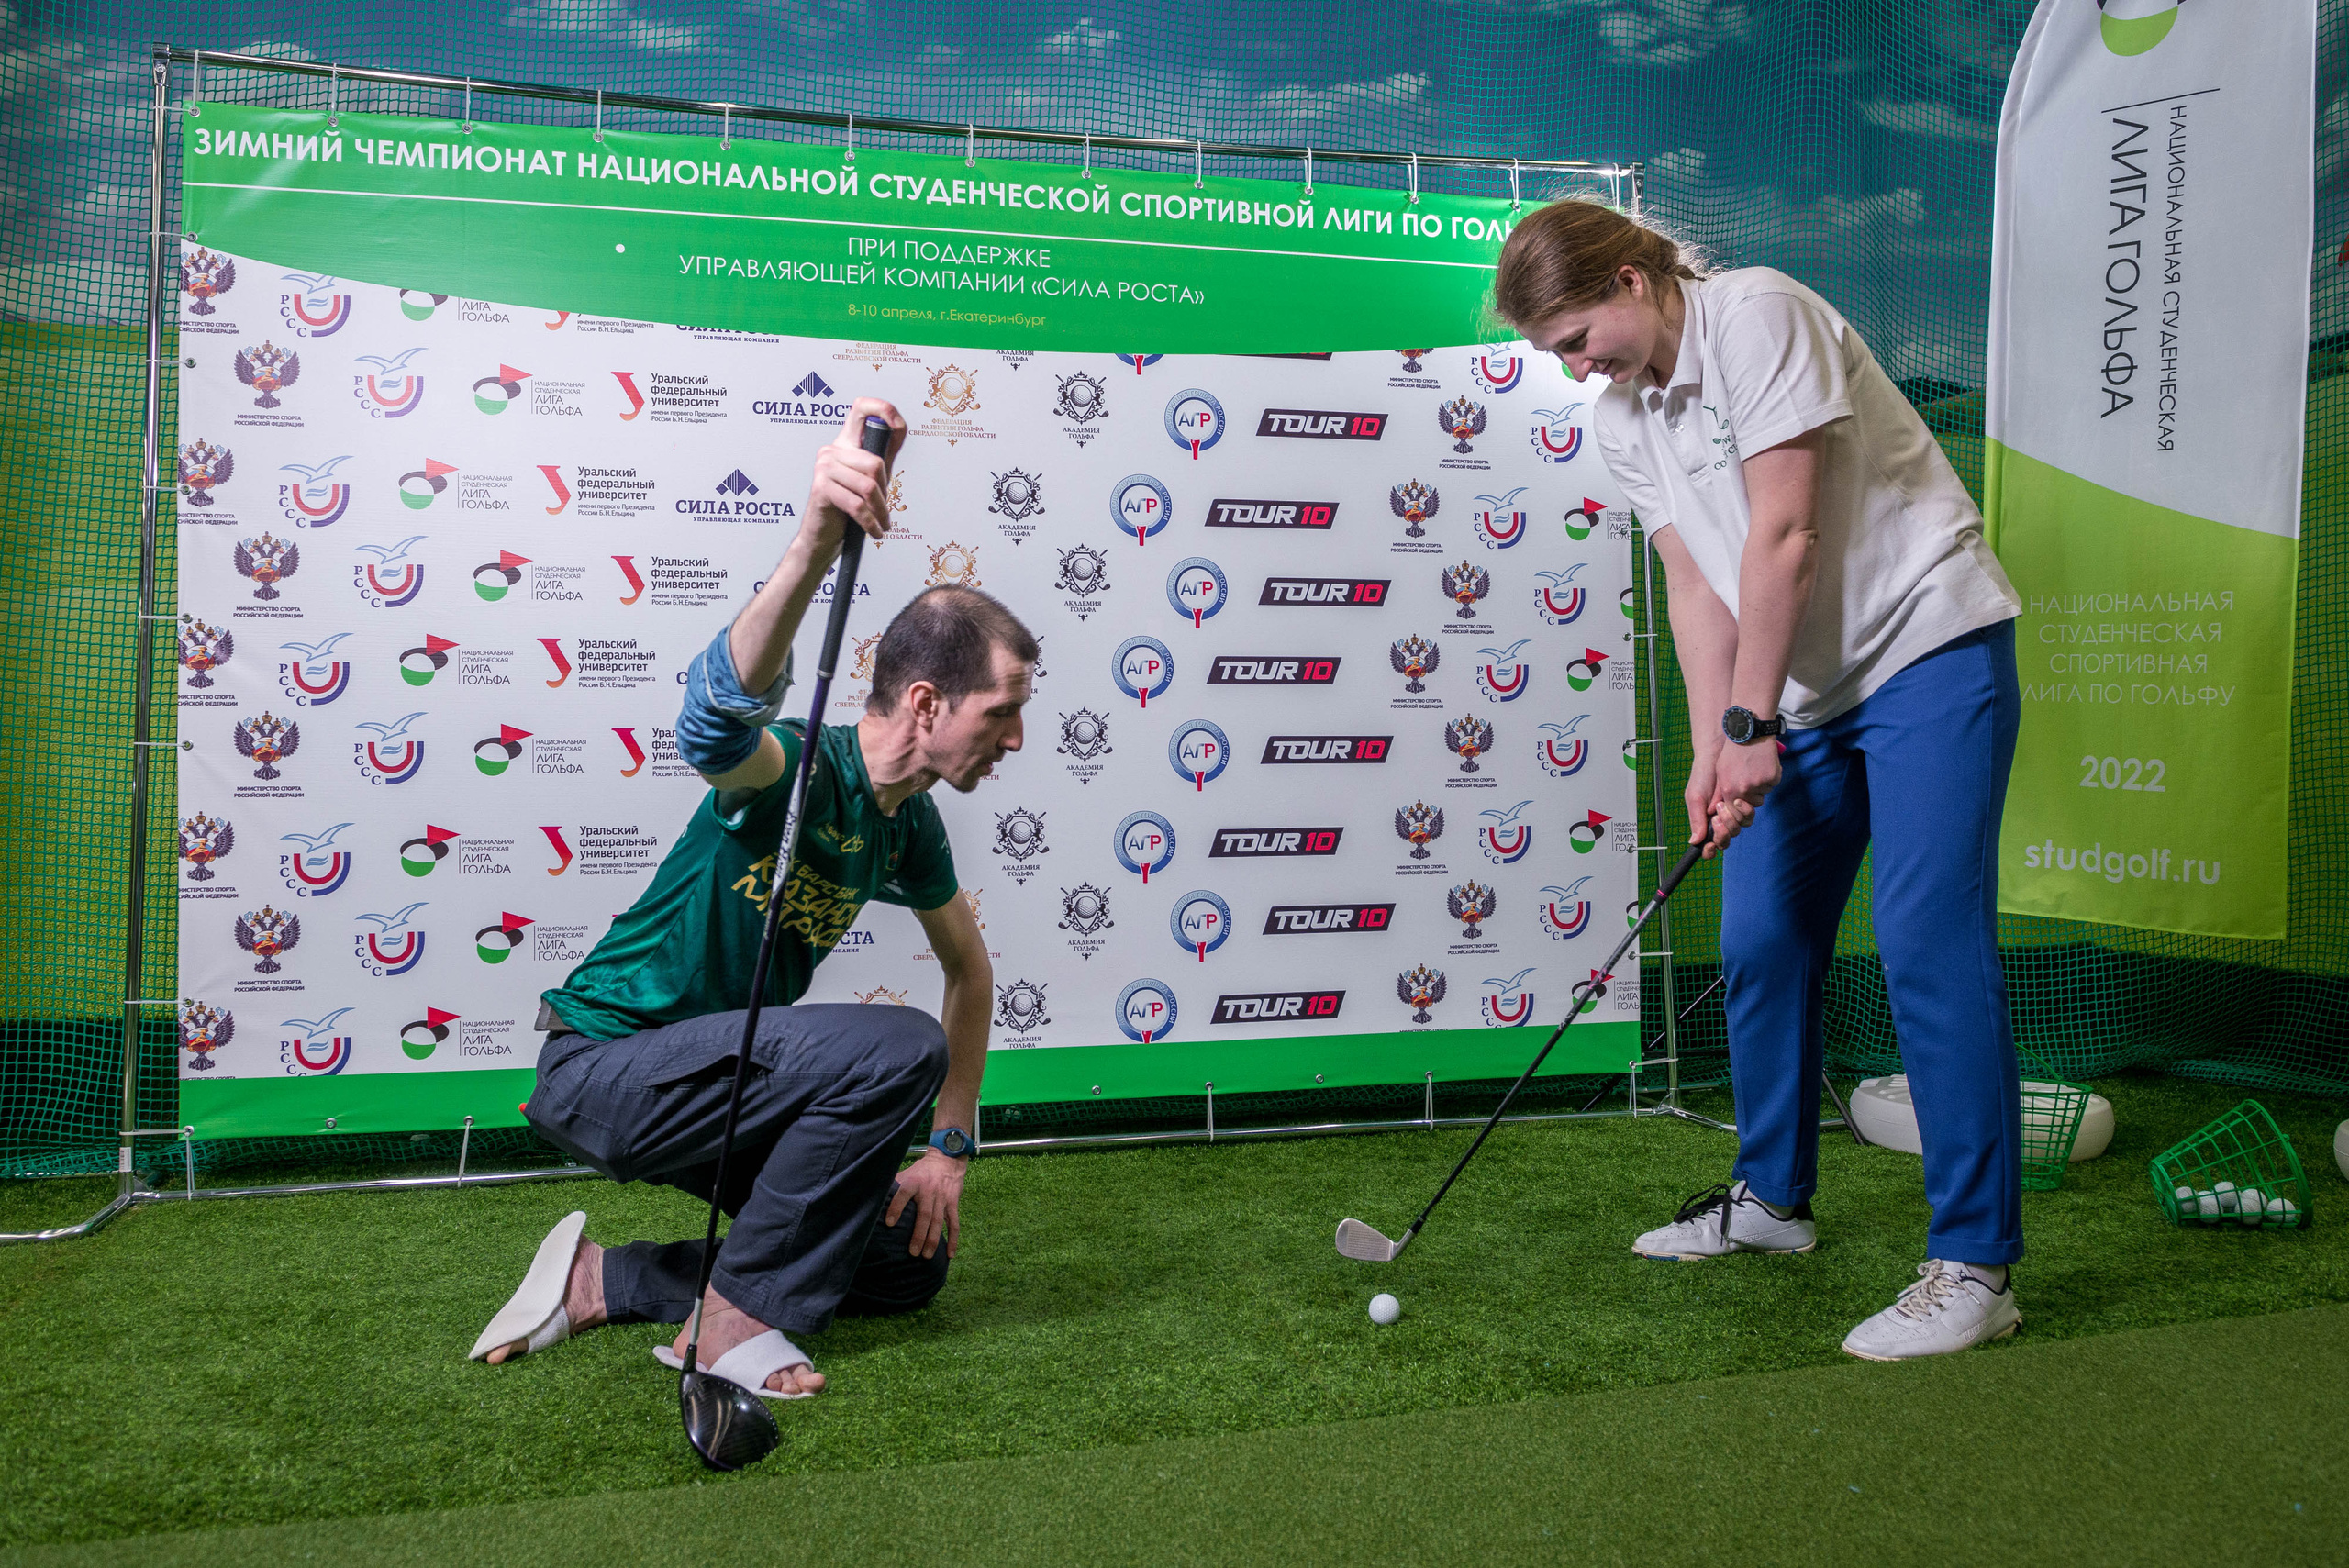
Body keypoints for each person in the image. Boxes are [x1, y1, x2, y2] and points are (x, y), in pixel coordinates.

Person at [1492, 202, 2027, 1360]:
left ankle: (1975, 1262)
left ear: (1633, 279)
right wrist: (1713, 745)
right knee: (1760, 937)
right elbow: (1696, 587)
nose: (1577, 367)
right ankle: (1772, 1201)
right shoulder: (1621, 419)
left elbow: (1784, 536)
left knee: (1927, 934)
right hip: (1800, 692)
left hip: (1925, 644)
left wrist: (1749, 718)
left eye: (1578, 338)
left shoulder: (1759, 313)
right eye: (1556, 357)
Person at [467, 399, 1038, 1398]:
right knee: (897, 1043)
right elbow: (714, 728)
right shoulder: (799, 767)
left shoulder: (906, 825)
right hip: (605, 1064)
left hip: (724, 1087)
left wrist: (947, 1146)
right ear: (923, 702)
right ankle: (728, 1328)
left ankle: (608, 1276)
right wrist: (815, 543)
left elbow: (969, 970)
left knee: (908, 1260)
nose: (1015, 739)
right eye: (1002, 712)